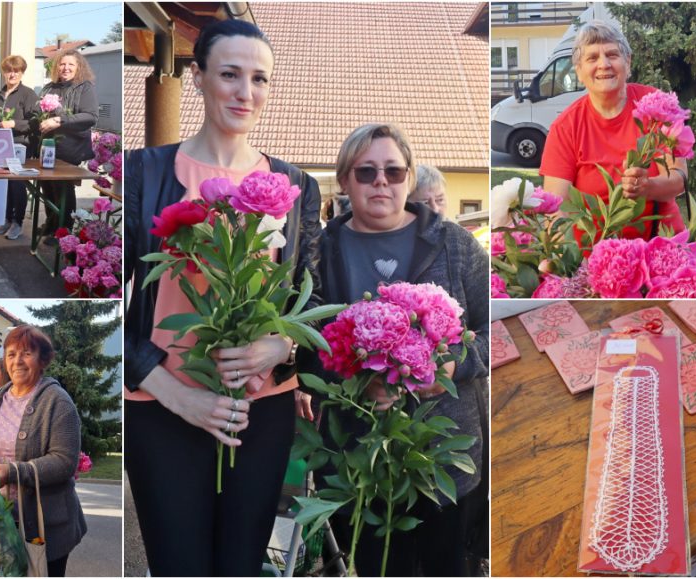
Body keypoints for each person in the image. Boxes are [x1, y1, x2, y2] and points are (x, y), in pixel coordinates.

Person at [123, 19, 322, 576]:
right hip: (160, 405)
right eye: (230, 74)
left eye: (259, 79)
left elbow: (314, 301)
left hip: (259, 409)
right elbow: (105, 304)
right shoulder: (143, 172)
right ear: (199, 77)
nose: (245, 92)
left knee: (241, 565)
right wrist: (171, 392)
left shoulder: (296, 187)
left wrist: (280, 347)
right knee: (179, 565)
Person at [307, 124, 490, 576]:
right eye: (366, 172)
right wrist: (358, 380)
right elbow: (306, 344)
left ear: (409, 177)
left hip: (442, 459)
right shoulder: (318, 252)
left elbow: (495, 329)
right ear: (345, 181)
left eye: (393, 170)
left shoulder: (456, 245)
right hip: (356, 462)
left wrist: (450, 366)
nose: (381, 182)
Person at [540, 20, 687, 243]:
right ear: (579, 71)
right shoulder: (566, 126)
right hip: (595, 255)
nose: (604, 64)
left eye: (612, 55)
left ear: (627, 62)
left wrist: (648, 187)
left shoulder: (656, 106)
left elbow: (679, 179)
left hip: (660, 245)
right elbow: (554, 208)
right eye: (592, 58)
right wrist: (568, 266)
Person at [0, 326, 86, 577]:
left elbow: (64, 461)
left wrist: (13, 471)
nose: (17, 361)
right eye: (10, 354)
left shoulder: (57, 402)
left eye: (26, 353)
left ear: (42, 360)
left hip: (46, 527)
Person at [36, 49, 99, 244]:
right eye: (62, 64)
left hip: (71, 147)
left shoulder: (84, 87)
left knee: (63, 188)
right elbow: (38, 113)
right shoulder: (49, 87)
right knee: (46, 186)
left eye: (71, 64)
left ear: (79, 67)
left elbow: (90, 116)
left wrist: (59, 120)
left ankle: (64, 231)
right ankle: (52, 222)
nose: (66, 68)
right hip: (48, 145)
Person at [0, 55, 39, 241]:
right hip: (0, 146)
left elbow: (36, 122)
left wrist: (14, 123)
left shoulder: (28, 94)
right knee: (4, 184)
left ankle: (17, 222)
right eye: (9, 70)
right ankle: (6, 219)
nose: (12, 74)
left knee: (18, 185)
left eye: (16, 71)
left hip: (21, 145)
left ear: (22, 73)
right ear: (3, 72)